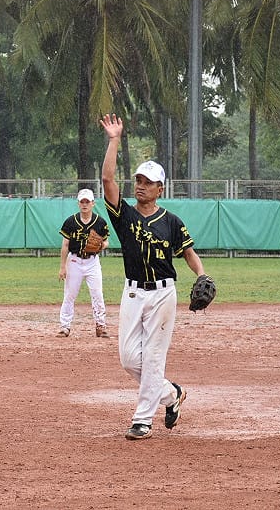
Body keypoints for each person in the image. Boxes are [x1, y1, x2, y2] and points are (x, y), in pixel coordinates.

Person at [99, 113, 210, 440]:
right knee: (129, 358)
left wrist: (202, 274)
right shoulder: (125, 216)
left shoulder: (171, 221)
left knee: (154, 357)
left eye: (148, 182)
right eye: (138, 181)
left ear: (160, 188)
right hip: (133, 292)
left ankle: (142, 420)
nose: (141, 186)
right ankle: (171, 394)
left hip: (163, 294)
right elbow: (107, 181)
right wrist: (114, 140)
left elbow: (188, 253)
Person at [57, 188, 111, 338]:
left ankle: (101, 326)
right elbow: (65, 245)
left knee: (97, 294)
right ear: (78, 203)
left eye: (88, 201)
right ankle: (65, 327)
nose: (85, 204)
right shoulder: (70, 222)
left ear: (93, 203)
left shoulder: (100, 222)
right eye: (82, 201)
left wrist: (101, 245)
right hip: (74, 260)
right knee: (69, 295)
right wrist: (62, 267)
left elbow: (106, 242)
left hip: (92, 261)